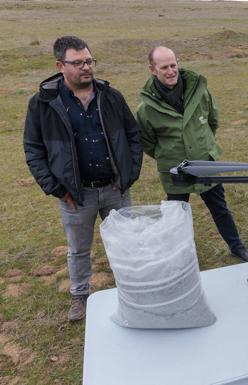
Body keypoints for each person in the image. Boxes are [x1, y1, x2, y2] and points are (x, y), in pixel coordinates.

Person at [23, 36, 143, 321]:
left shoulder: (110, 96)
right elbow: (33, 149)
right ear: (60, 65)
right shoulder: (43, 104)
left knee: (125, 242)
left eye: (89, 61)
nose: (86, 68)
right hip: (76, 195)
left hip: (116, 188)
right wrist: (56, 188)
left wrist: (129, 173)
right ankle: (80, 296)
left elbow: (133, 135)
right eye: (78, 63)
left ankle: (132, 288)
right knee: (78, 249)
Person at [136, 46, 248, 263]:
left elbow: (213, 121)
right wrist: (167, 155)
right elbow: (147, 142)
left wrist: (204, 146)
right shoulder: (146, 109)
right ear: (152, 69)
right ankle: (179, 253)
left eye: (174, 65)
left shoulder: (199, 91)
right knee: (176, 215)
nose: (171, 71)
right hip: (174, 169)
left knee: (220, 208)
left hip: (204, 163)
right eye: (164, 67)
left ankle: (236, 246)